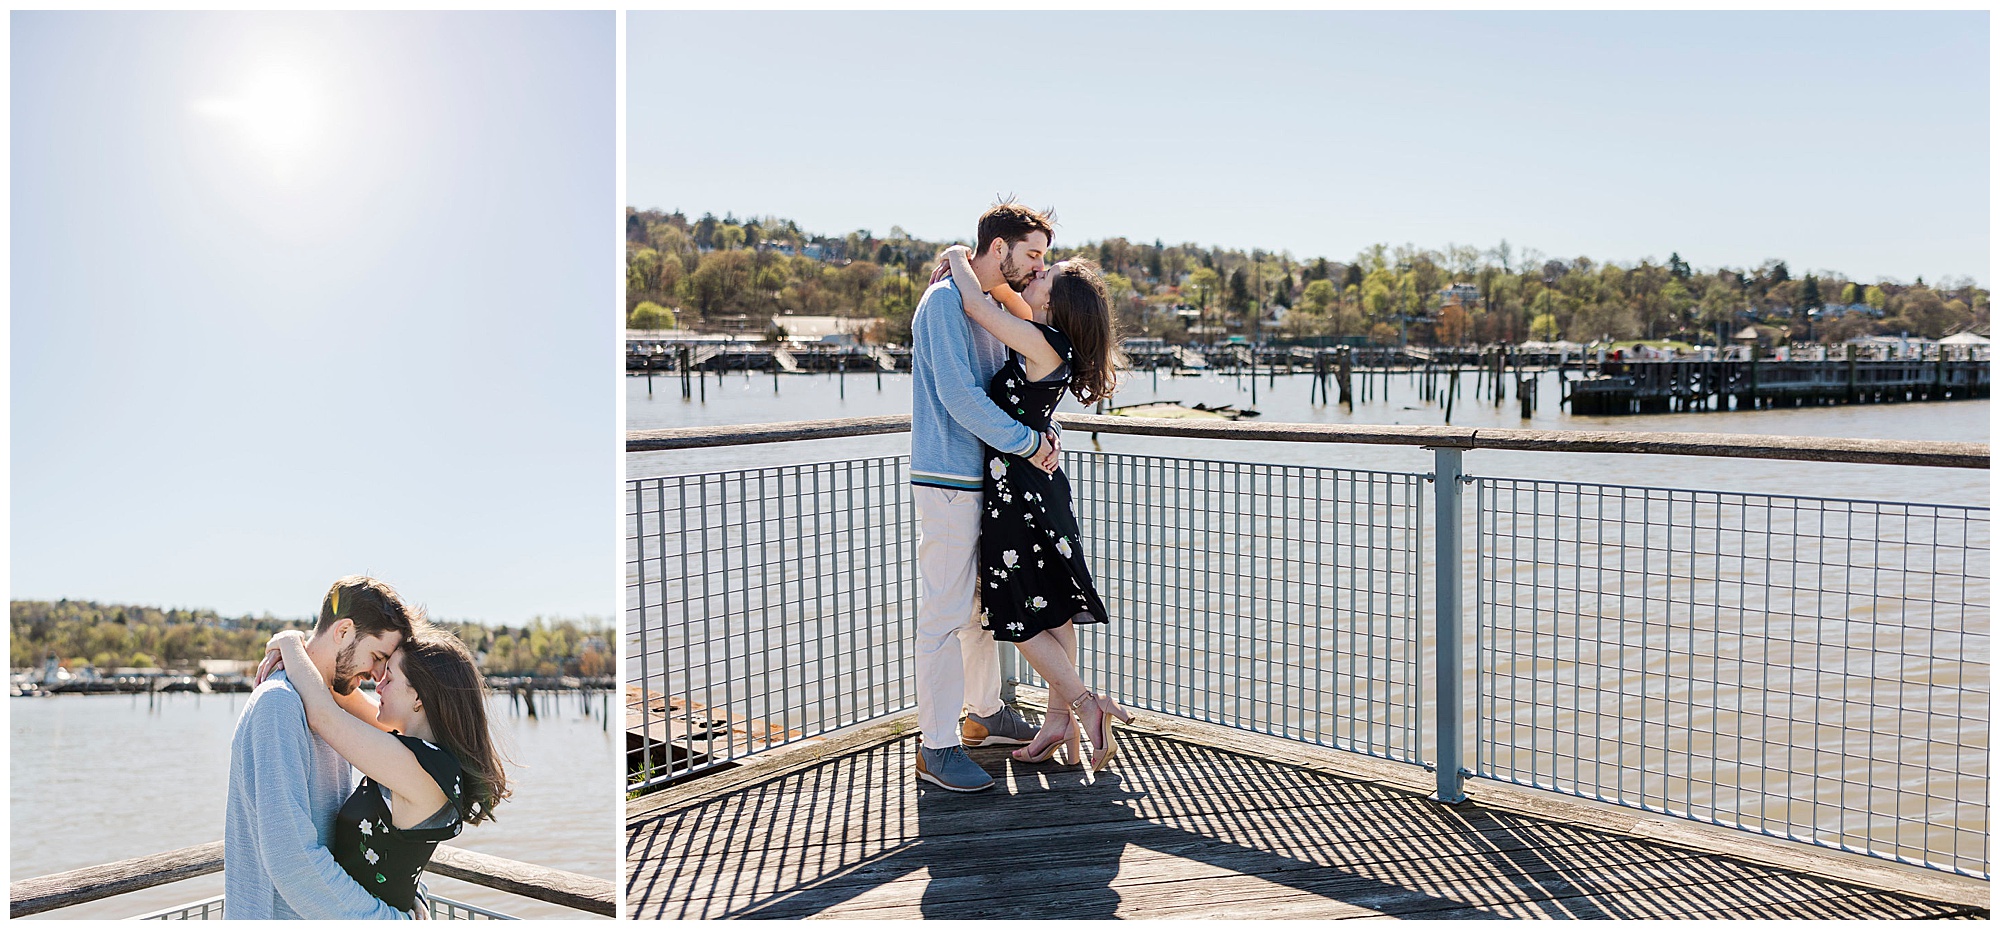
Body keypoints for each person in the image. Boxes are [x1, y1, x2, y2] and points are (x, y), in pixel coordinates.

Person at [940, 245, 1134, 775]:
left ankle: (1083, 702)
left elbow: (980, 307)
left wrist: (957, 255)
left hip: (1019, 491)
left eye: (1045, 274)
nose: (1037, 273)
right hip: (1038, 488)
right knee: (1052, 605)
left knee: (1015, 612)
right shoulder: (1047, 337)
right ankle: (1057, 721)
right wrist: (994, 273)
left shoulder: (1041, 340)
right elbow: (1000, 295)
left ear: (1055, 302)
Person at [908, 202, 1063, 792]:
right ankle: (936, 745)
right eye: (1031, 254)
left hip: (987, 479)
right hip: (950, 480)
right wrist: (1027, 443)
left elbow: (1011, 386)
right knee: (946, 614)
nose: (1037, 266)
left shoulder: (988, 301)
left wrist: (1035, 435)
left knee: (978, 611)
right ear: (999, 248)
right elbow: (959, 396)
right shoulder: (944, 302)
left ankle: (982, 714)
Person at [264, 624, 510, 917]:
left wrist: (289, 640)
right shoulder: (426, 758)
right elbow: (340, 693)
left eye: (389, 679)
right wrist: (408, 894)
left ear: (418, 697)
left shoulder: (420, 767)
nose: (377, 686)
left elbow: (323, 715)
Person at [224, 576, 418, 919]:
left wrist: (400, 896)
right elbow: (292, 860)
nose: (376, 674)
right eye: (376, 656)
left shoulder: (330, 709)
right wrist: (388, 920)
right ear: (343, 632)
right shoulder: (279, 706)